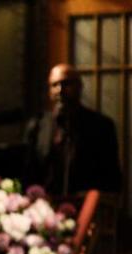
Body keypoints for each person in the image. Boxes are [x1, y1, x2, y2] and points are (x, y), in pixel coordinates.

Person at [24, 63, 121, 196]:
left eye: (66, 84)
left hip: (85, 206)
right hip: (45, 207)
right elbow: (29, 172)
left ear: (80, 86)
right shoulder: (38, 125)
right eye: (54, 85)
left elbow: (111, 177)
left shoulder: (101, 126)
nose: (60, 90)